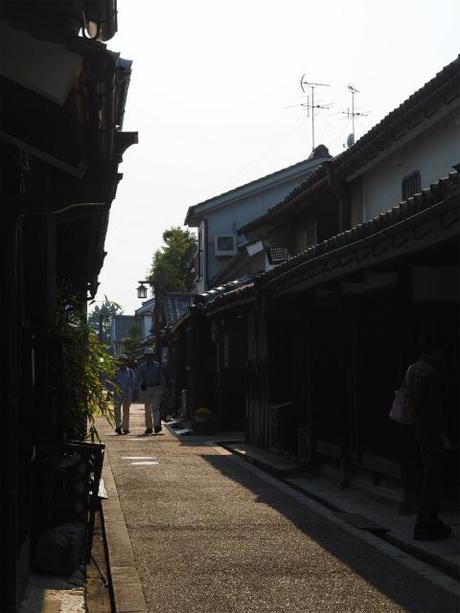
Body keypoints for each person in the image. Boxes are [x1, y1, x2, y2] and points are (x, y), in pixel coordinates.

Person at [406, 338, 455, 541]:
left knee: (427, 474)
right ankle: (426, 522)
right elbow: (436, 410)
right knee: (432, 477)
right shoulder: (431, 373)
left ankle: (427, 520)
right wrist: (445, 434)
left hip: (418, 428)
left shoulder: (412, 369)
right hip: (432, 431)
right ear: (434, 351)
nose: (444, 356)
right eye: (441, 351)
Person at [138, 347, 162, 435]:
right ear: (145, 357)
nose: (148, 357)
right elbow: (139, 378)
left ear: (152, 356)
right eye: (147, 356)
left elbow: (161, 377)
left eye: (150, 356)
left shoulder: (157, 366)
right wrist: (139, 387)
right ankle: (149, 427)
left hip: (156, 387)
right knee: (147, 409)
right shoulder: (142, 367)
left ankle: (156, 425)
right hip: (147, 388)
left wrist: (163, 387)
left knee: (155, 408)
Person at [113, 354, 134, 435]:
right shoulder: (116, 371)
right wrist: (109, 392)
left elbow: (133, 382)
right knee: (117, 409)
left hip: (128, 392)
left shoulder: (130, 371)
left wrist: (135, 392)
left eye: (124, 360)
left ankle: (125, 428)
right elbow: (112, 381)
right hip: (118, 392)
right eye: (121, 360)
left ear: (126, 362)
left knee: (126, 410)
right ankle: (118, 426)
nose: (122, 362)